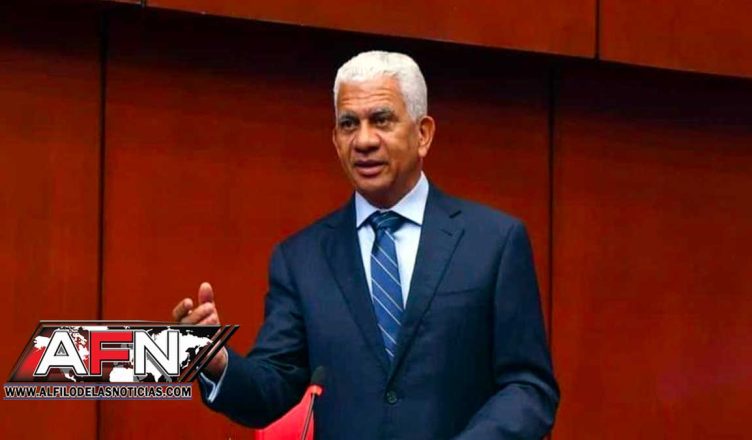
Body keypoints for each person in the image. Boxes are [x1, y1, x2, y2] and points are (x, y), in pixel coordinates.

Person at [172, 50, 559, 439]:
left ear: (423, 134)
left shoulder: (493, 243)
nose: (364, 140)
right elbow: (272, 388)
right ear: (335, 140)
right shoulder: (302, 259)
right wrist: (217, 363)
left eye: (381, 120)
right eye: (348, 124)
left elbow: (528, 387)